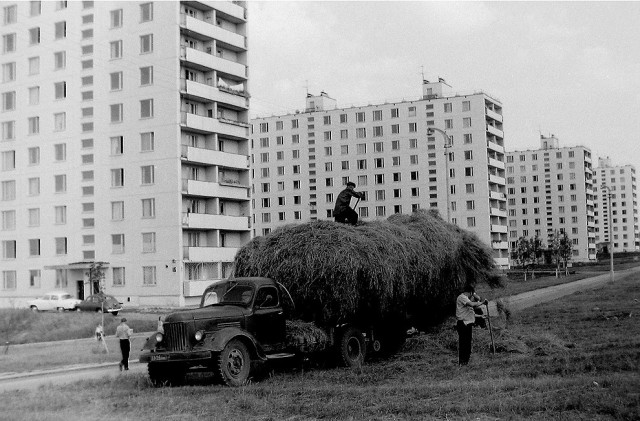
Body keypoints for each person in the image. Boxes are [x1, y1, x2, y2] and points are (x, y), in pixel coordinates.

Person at [455, 286, 488, 365]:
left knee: (468, 344)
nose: (472, 296)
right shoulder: (462, 297)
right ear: (470, 292)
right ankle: (462, 362)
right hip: (463, 324)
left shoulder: (466, 299)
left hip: (468, 324)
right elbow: (471, 304)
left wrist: (480, 316)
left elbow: (471, 313)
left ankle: (465, 362)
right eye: (472, 294)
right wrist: (482, 302)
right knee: (464, 344)